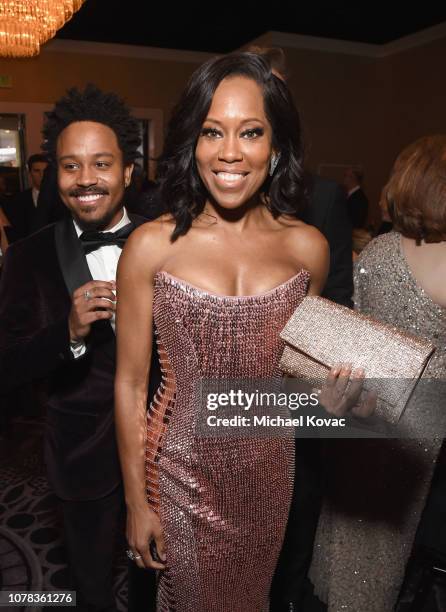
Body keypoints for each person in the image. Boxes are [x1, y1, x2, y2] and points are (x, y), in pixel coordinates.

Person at [114, 52, 368, 612]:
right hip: (179, 467)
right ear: (192, 143)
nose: (230, 153)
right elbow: (131, 384)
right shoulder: (151, 245)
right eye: (212, 132)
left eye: (250, 132)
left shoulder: (309, 248)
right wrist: (137, 499)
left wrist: (329, 401)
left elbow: (294, 379)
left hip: (269, 472)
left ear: (275, 147)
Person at [0, 84, 160, 612]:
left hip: (164, 452)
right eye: (70, 166)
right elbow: (7, 363)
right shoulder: (28, 256)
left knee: (155, 580)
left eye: (101, 164)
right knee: (90, 585)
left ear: (128, 172)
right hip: (78, 453)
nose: (86, 179)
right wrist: (66, 334)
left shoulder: (169, 245)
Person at [309, 135, 446, 611]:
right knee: (390, 536)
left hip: (363, 409)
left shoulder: (378, 252)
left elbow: (356, 325)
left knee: (345, 522)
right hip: (424, 425)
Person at [3, 153, 49, 240]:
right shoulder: (18, 200)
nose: (42, 175)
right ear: (30, 173)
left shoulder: (61, 199)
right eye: (37, 171)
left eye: (45, 171)